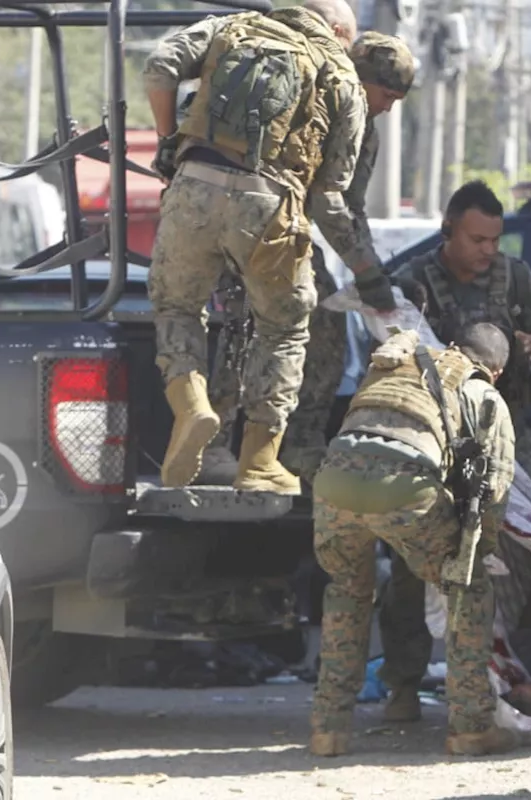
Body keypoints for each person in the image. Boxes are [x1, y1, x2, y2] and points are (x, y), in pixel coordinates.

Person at [141, 0, 396, 496]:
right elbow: (328, 198)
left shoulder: (232, 27)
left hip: (193, 184)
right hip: (269, 206)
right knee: (282, 330)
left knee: (176, 306)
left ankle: (191, 405)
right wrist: (367, 271)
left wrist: (168, 139)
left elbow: (159, 67)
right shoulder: (341, 75)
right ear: (340, 30)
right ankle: (258, 462)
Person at [379, 180, 531, 721]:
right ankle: (402, 684)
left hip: (507, 442)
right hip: (433, 447)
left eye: (495, 238)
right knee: (410, 565)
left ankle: (517, 675)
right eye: (477, 239)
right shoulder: (413, 282)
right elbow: (387, 349)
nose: (488, 250)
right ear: (448, 231)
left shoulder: (515, 278)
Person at [200, 31, 417, 486]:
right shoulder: (310, 102)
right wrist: (364, 267)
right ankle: (214, 446)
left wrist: (369, 269)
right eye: (386, 95)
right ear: (359, 80)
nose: (388, 107)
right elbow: (325, 200)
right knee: (246, 323)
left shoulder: (365, 129)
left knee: (327, 323)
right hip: (245, 222)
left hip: (291, 232)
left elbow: (350, 206)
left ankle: (301, 443)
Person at [309, 322, 520, 757]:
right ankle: (470, 726)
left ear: (457, 347)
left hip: (333, 482)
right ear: (496, 371)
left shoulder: (397, 368)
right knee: (467, 591)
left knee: (347, 594)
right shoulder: (484, 394)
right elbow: (496, 490)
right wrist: (477, 555)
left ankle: (329, 730)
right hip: (403, 486)